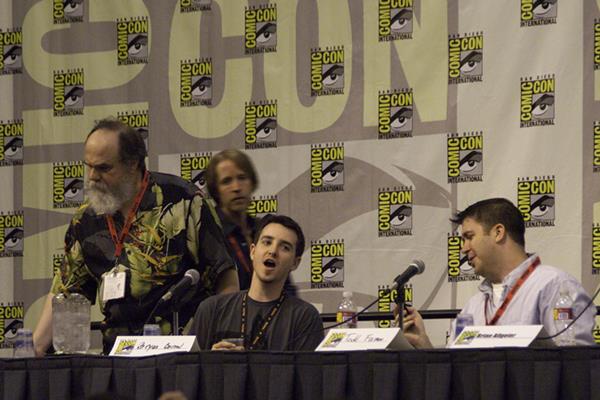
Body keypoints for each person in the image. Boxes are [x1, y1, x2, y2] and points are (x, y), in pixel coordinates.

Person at [33, 118, 239, 355]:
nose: (92, 177)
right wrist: (33, 348)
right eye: (88, 166)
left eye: (103, 168)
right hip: (118, 357)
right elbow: (65, 293)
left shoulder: (183, 201)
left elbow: (226, 278)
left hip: (181, 355)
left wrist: (224, 341)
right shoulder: (86, 220)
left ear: (132, 164)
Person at [403, 198, 596, 348]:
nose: (463, 248)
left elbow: (576, 365)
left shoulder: (555, 286)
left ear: (498, 233)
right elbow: (458, 370)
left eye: (469, 237)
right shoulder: (472, 307)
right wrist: (423, 344)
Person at [190, 214, 324, 351]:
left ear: (295, 263)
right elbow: (189, 364)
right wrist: (213, 360)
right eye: (267, 242)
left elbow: (306, 366)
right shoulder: (211, 309)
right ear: (253, 251)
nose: (273, 251)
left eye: (285, 247)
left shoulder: (304, 317)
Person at [205, 149, 296, 295]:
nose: (236, 188)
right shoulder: (210, 234)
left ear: (252, 183)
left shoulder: (264, 229)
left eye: (242, 178)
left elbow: (286, 285)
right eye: (226, 181)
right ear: (216, 190)